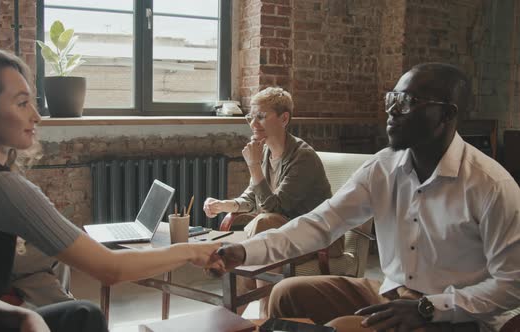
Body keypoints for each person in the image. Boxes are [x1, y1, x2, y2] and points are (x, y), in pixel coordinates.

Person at [209, 63, 520, 332]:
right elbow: (321, 223)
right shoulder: (383, 167)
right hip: (392, 295)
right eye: (391, 99)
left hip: (453, 316)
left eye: (407, 102)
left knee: (344, 328)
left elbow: (512, 285)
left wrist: (430, 307)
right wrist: (245, 251)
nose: (391, 110)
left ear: (446, 115)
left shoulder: (491, 186)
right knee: (286, 294)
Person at [0, 49, 222, 332]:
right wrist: (190, 251)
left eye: (32, 102)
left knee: (82, 314)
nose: (36, 116)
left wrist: (22, 318)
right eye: (21, 104)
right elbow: (110, 269)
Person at [203, 87, 335, 316]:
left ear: (284, 119)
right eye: (250, 116)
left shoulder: (302, 157)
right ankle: (229, 319)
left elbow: (273, 207)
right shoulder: (265, 152)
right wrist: (227, 205)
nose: (253, 123)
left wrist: (253, 166)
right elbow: (253, 196)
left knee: (263, 224)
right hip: (282, 232)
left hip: (317, 237)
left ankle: (262, 315)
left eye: (261, 116)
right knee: (261, 230)